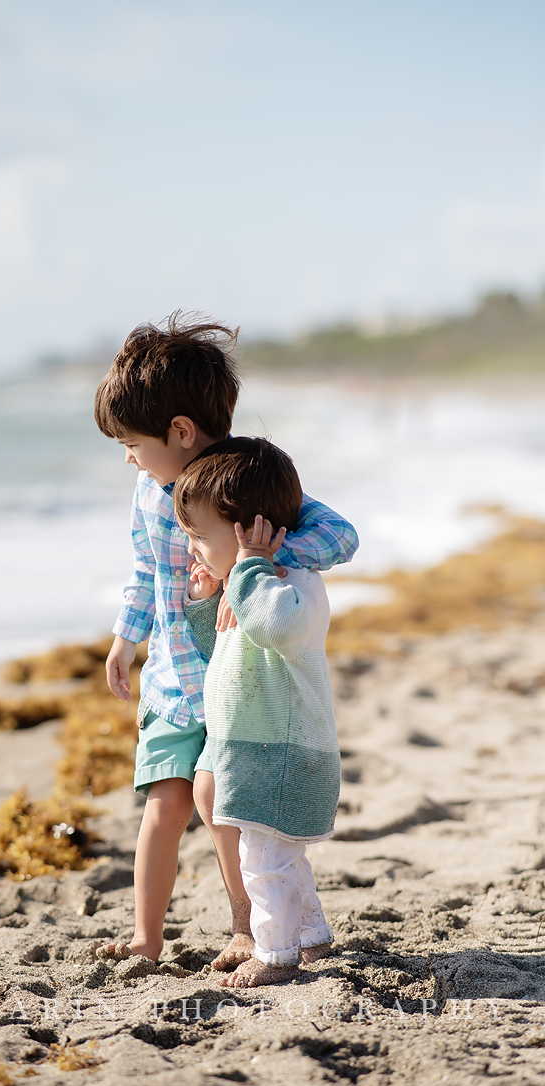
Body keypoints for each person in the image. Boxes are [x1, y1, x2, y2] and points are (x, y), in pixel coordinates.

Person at [93, 314, 354, 967]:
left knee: (223, 807)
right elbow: (146, 573)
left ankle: (249, 925)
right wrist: (127, 639)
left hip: (235, 689)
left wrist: (255, 562)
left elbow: (339, 536)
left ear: (179, 431)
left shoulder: (241, 480)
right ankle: (145, 937)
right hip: (170, 684)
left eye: (131, 442)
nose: (127, 456)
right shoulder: (147, 494)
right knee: (164, 805)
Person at [175, 437, 339, 987]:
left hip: (283, 754)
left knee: (263, 862)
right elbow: (225, 650)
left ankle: (274, 953)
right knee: (280, 857)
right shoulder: (250, 590)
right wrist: (206, 599)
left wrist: (246, 570)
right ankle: (310, 937)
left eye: (200, 536)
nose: (191, 546)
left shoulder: (290, 586)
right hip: (254, 749)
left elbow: (274, 628)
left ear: (250, 532)